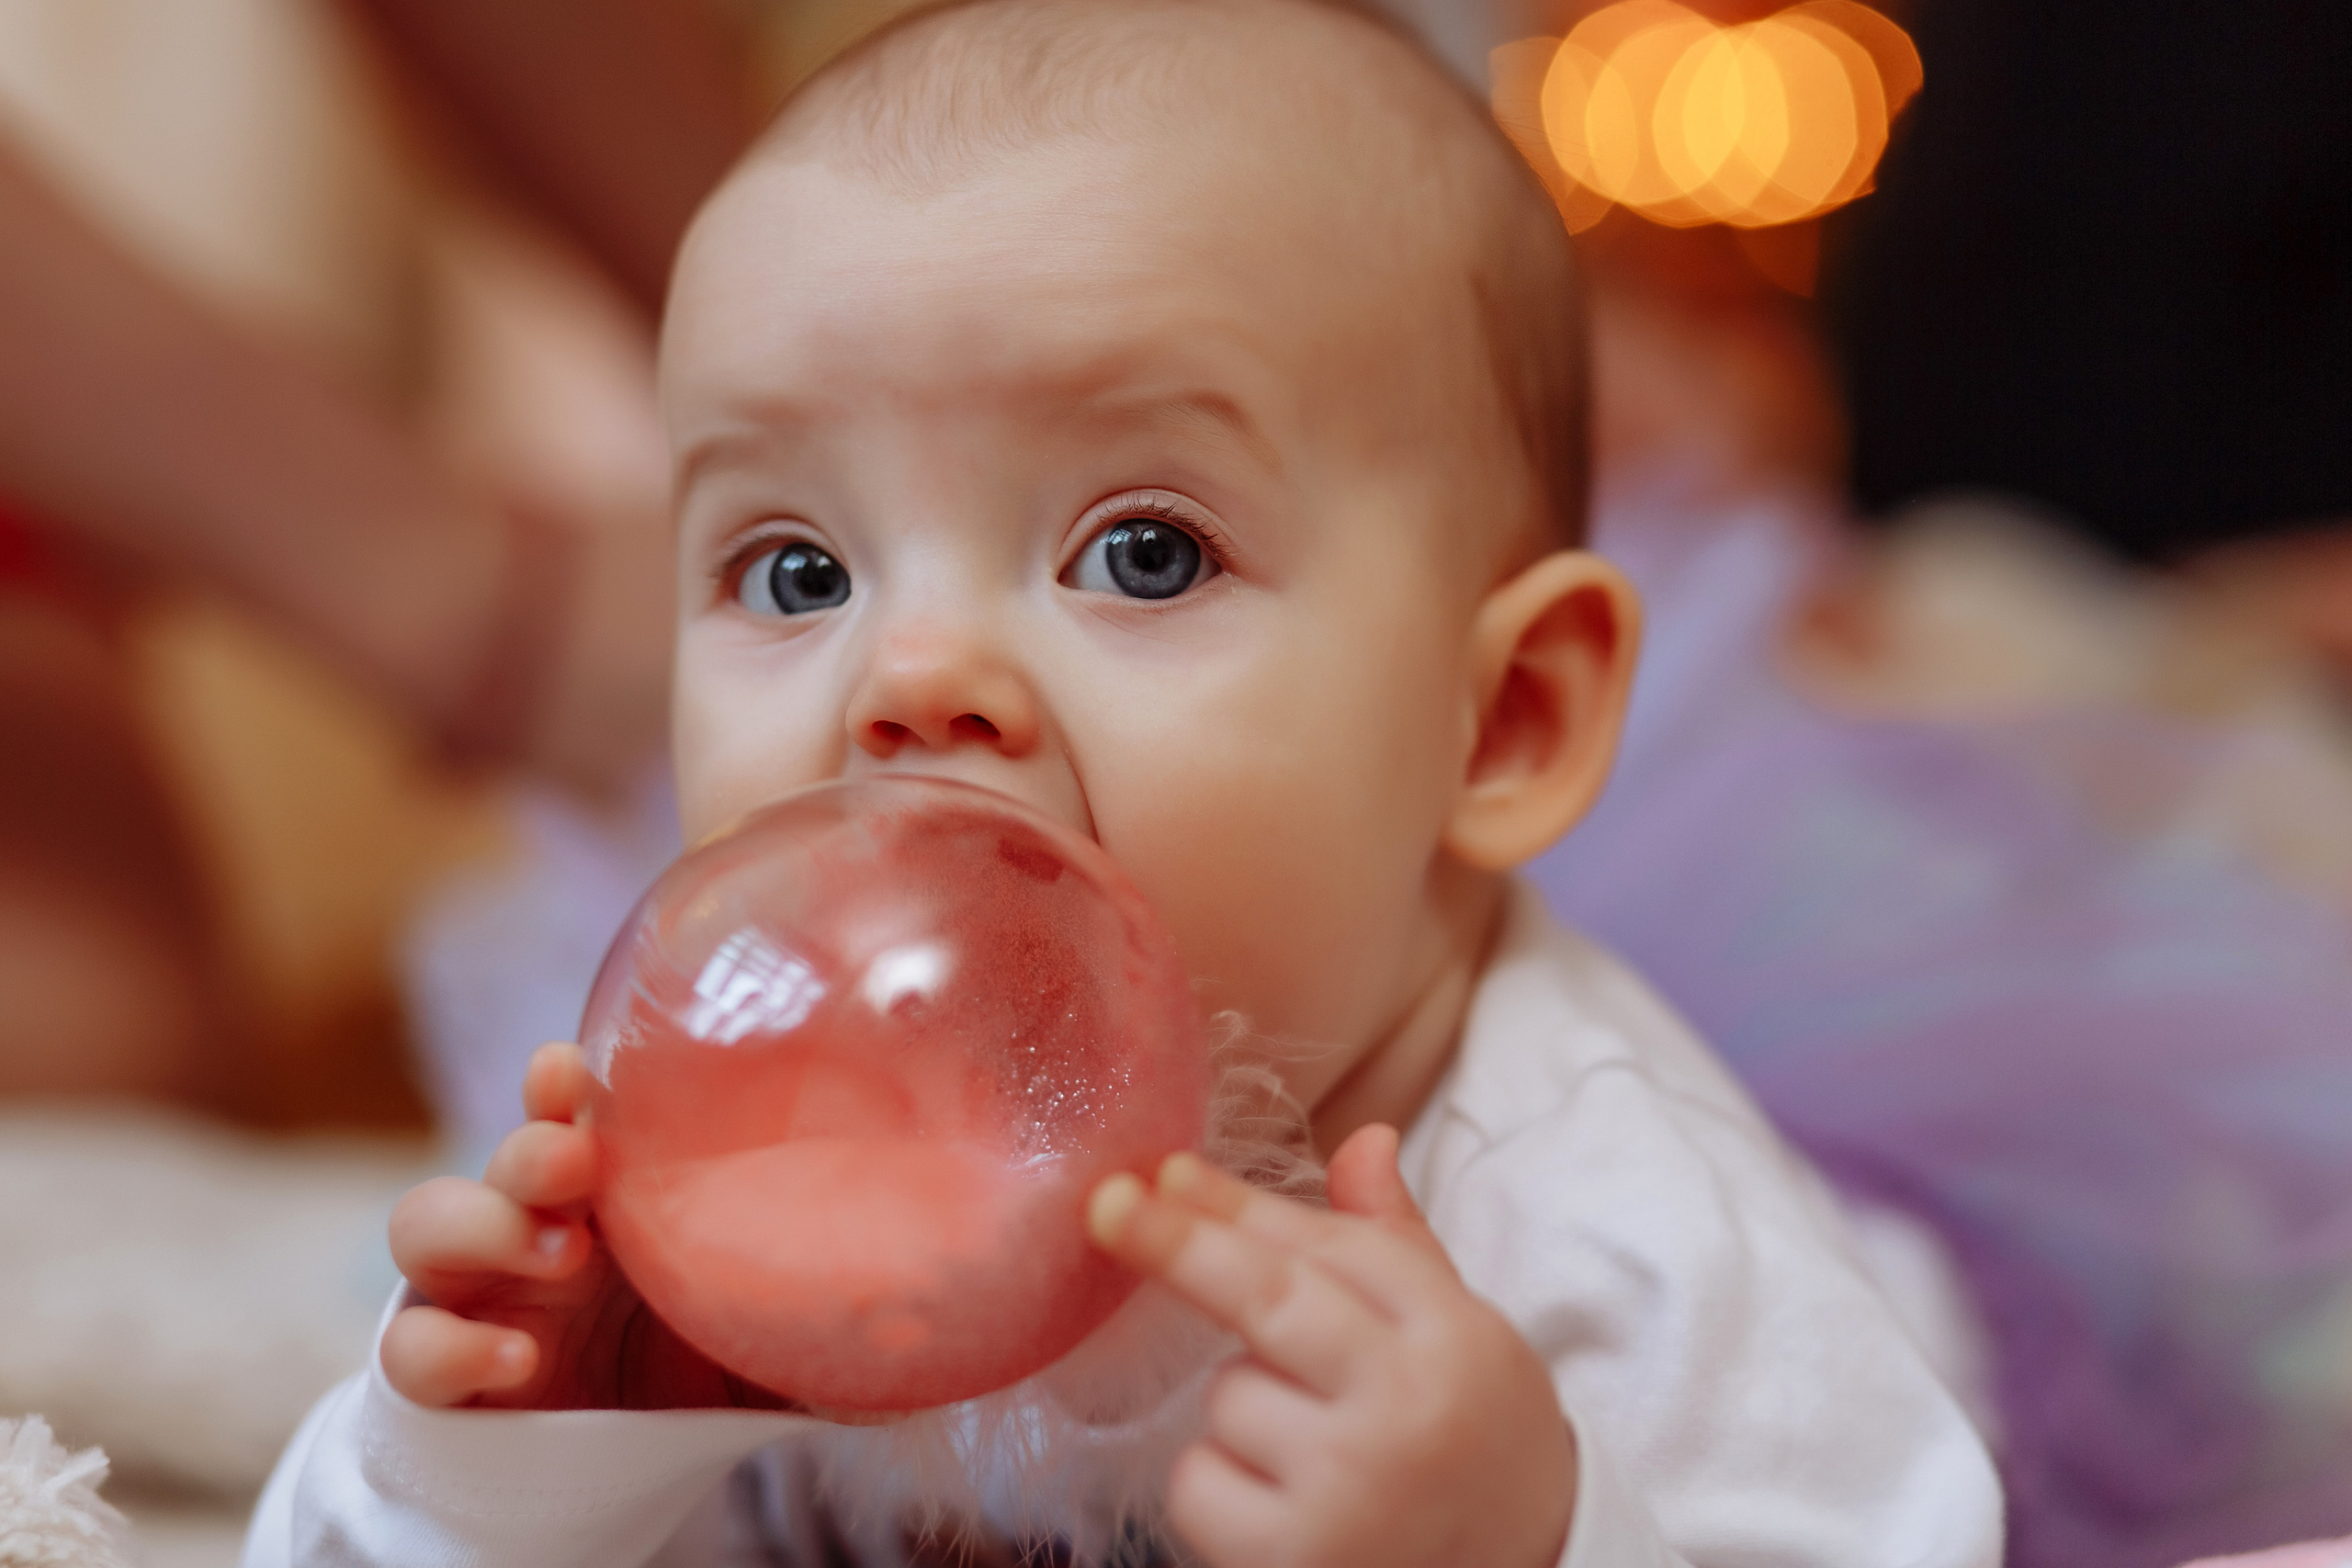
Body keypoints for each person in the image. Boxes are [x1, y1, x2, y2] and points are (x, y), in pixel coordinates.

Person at [242, 1, 2004, 1562]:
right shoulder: (744, 1169)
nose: (909, 678)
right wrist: (504, 1477)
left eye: (1145, 553)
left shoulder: (1611, 1240)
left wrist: (1532, 1537)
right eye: (796, 572)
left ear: (1507, 722)